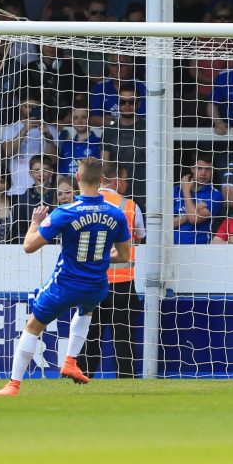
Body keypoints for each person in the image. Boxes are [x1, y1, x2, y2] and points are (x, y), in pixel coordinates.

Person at [0, 159, 132, 395]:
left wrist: (35, 223)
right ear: (101, 181)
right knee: (86, 311)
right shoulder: (116, 214)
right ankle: (70, 360)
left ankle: (13, 384)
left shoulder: (65, 213)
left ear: (77, 179)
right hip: (96, 285)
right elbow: (124, 256)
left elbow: (28, 246)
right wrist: (95, 260)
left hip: (65, 283)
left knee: (33, 326)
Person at [76, 162, 146, 379]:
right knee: (123, 337)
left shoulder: (82, 204)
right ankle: (126, 380)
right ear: (115, 180)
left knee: (90, 335)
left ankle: (81, 377)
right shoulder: (130, 206)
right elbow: (140, 237)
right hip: (123, 282)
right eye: (124, 179)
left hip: (93, 280)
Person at [173, 151, 224, 245]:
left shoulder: (215, 195)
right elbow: (166, 224)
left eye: (208, 169)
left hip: (199, 249)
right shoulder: (175, 191)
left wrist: (186, 191)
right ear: (192, 169)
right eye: (199, 168)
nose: (203, 173)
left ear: (213, 171)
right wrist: (194, 210)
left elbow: (194, 219)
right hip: (170, 248)